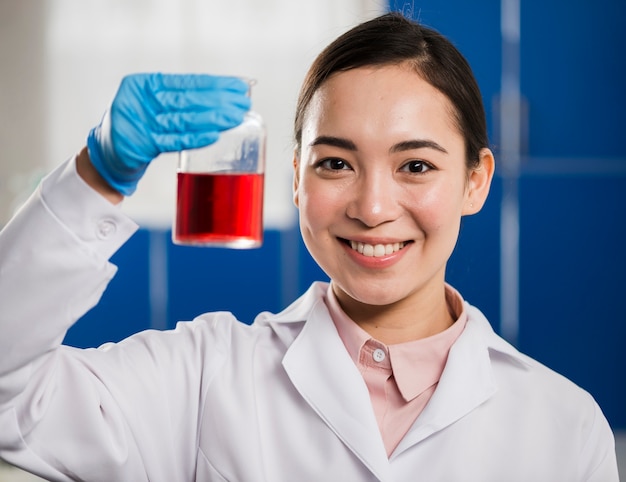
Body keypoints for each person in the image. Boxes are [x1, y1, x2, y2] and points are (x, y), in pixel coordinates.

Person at [0, 12, 619, 482]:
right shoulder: (205, 377)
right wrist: (97, 175)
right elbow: (11, 396)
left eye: (416, 166)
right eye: (335, 163)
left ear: (475, 180)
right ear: (296, 178)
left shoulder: (564, 425)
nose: (373, 209)